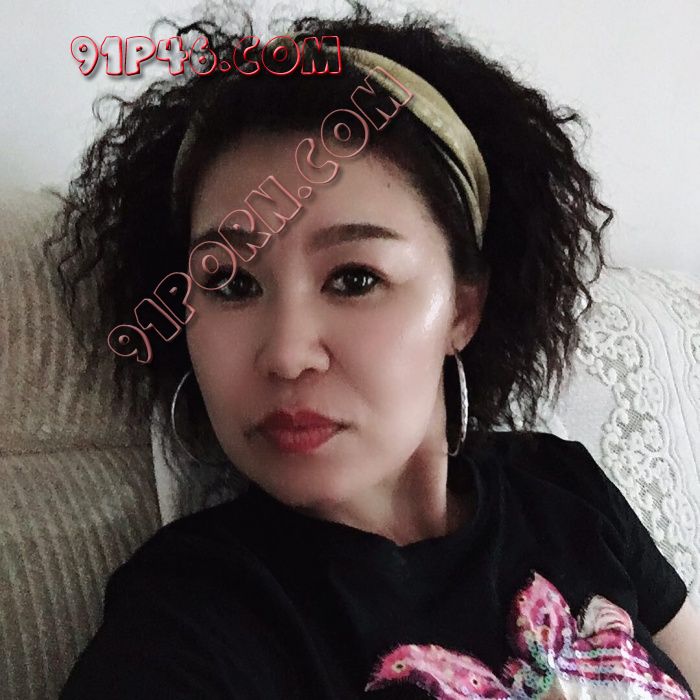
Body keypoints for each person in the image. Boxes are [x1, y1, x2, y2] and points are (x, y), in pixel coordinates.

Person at [47, 1, 700, 698]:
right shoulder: (194, 618)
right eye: (231, 283)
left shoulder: (565, 490)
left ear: (464, 307)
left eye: (355, 278)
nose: (287, 354)